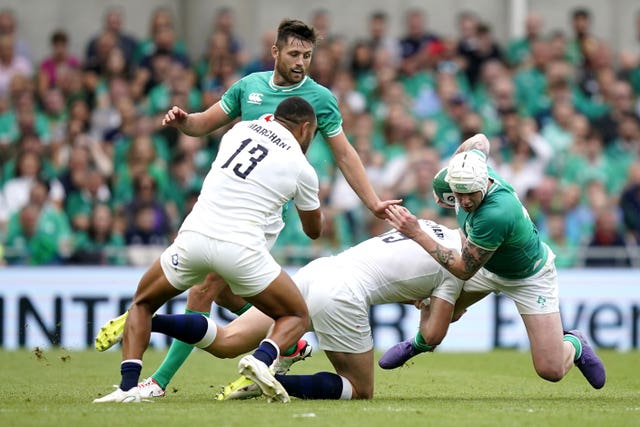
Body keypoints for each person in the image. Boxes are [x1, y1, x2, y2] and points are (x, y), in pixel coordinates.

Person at [106, 18, 399, 398]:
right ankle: (287, 342)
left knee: (203, 290)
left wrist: (372, 201)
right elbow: (204, 123)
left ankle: (157, 382)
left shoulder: (321, 99)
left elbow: (344, 153)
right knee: (225, 293)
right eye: (294, 53)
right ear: (275, 52)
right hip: (234, 211)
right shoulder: (250, 87)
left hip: (260, 218)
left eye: (308, 56)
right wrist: (184, 122)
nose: (301, 62)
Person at [93, 96, 323, 403]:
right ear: (306, 129)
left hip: (194, 239)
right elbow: (313, 231)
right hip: (241, 250)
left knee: (143, 303)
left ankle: (127, 388)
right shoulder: (302, 167)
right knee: (295, 314)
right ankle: (264, 358)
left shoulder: (239, 131)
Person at [96, 218, 465, 400]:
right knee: (360, 389)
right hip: (336, 289)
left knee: (226, 339)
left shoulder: (429, 227)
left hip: (315, 270)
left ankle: (149, 320)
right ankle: (276, 374)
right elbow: (433, 332)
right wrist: (420, 333)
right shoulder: (456, 264)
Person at [377, 133, 607, 390]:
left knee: (550, 370)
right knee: (441, 315)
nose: (464, 201)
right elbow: (480, 140)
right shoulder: (464, 173)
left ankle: (575, 343)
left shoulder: (496, 213)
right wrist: (458, 160)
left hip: (528, 275)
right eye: (458, 193)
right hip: (484, 263)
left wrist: (416, 233)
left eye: (471, 195)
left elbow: (464, 269)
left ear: (485, 182)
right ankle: (419, 344)